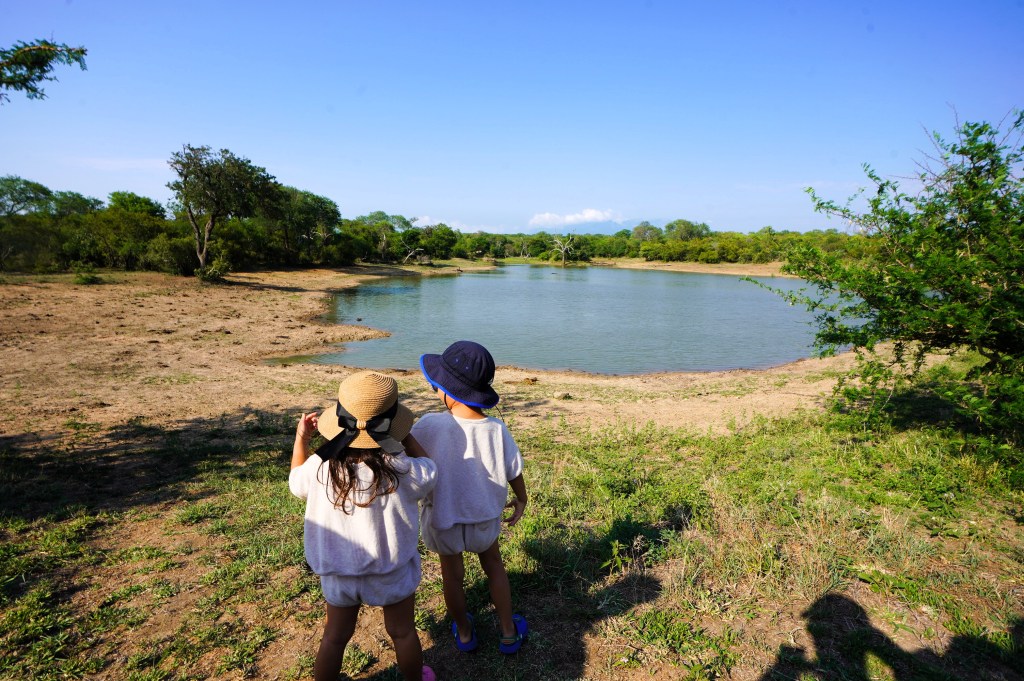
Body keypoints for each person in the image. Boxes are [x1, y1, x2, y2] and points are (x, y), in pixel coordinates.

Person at [290, 371, 438, 681]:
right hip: (390, 571)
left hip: (338, 571)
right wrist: (407, 438)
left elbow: (296, 482)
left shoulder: (321, 465)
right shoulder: (401, 467)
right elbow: (431, 471)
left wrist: (302, 438)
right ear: (393, 425)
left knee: (334, 636)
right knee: (402, 633)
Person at [411, 340, 529, 654]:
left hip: (442, 521)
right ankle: (507, 631)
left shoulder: (428, 425)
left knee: (452, 575)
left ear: (445, 389)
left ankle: (464, 632)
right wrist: (521, 499)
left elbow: (409, 459)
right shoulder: (496, 429)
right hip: (484, 520)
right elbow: (513, 470)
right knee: (494, 567)